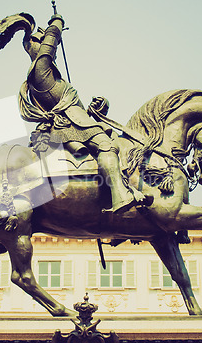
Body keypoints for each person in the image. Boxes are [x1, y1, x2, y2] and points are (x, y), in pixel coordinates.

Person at [18, 14, 152, 213]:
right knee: (107, 146)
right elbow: (50, 44)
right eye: (43, 40)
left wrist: (98, 108)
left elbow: (80, 110)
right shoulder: (40, 71)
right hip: (69, 126)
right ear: (37, 45)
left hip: (78, 122)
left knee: (116, 143)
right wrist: (57, 24)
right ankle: (119, 195)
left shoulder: (55, 80)